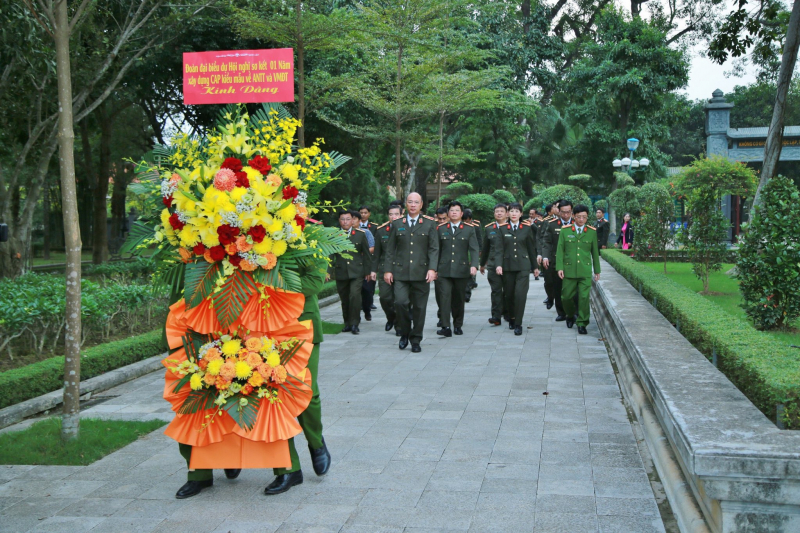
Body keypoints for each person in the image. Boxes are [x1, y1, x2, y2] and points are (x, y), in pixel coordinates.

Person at [264, 256, 332, 494]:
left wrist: (271, 282)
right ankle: (287, 469)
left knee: (306, 390)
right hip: (264, 323)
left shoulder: (311, 240)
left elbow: (314, 283)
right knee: (272, 395)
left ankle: (316, 442)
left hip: (302, 324)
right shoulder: (250, 234)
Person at [384, 193, 439, 353]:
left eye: (416, 202)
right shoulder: (397, 223)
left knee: (419, 308)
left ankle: (416, 339)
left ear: (421, 205)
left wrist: (432, 268)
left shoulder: (429, 224)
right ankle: (404, 333)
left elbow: (434, 248)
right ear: (405, 205)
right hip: (400, 273)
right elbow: (390, 250)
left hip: (422, 273)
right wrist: (388, 270)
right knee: (400, 302)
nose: (413, 205)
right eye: (410, 202)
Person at [435, 201, 479, 337]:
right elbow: (436, 250)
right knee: (444, 297)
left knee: (458, 299)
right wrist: (433, 268)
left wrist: (474, 265)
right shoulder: (441, 228)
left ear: (461, 213)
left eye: (457, 210)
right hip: (443, 269)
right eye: (452, 210)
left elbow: (474, 248)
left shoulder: (469, 229)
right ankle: (445, 326)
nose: (454, 212)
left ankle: (458, 324)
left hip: (461, 269)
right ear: (448, 213)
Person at [494, 202, 538, 335]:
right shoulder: (502, 229)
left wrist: (535, 266)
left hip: (523, 267)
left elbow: (531, 248)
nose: (514, 214)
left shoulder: (526, 228)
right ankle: (512, 318)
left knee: (520, 295)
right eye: (511, 211)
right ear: (508, 214)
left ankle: (518, 323)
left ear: (521, 214)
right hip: (507, 267)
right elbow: (499, 250)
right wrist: (498, 265)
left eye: (516, 211)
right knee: (509, 295)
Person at [556, 204, 601, 335]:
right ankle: (570, 315)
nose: (581, 219)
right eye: (579, 217)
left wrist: (597, 270)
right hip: (569, 270)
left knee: (584, 297)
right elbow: (560, 251)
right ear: (574, 216)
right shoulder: (565, 231)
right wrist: (560, 267)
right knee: (566, 297)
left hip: (584, 270)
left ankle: (582, 323)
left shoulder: (591, 232)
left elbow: (595, 253)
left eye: (584, 217)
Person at [331, 210, 371, 334]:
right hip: (341, 271)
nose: (345, 222)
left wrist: (368, 271)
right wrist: (328, 271)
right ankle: (347, 323)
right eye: (343, 219)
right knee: (345, 298)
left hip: (357, 272)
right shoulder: (334, 235)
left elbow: (366, 255)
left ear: (352, 220)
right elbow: (331, 254)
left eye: (348, 219)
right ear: (339, 221)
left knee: (355, 296)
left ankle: (355, 323)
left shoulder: (360, 234)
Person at [372, 204, 403, 334]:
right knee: (385, 297)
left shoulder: (406, 229)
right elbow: (377, 253)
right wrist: (373, 270)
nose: (393, 217)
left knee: (400, 299)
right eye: (391, 214)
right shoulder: (381, 230)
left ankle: (399, 326)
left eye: (396, 214)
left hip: (402, 269)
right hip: (385, 269)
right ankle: (391, 317)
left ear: (401, 215)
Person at [542, 200, 573, 322]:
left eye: (568, 212)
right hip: (556, 261)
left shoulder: (577, 223)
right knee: (558, 287)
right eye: (563, 212)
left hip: (572, 261)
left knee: (572, 289)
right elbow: (547, 242)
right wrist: (545, 256)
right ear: (558, 211)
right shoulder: (552, 224)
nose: (566, 215)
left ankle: (573, 311)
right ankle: (561, 312)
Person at [480, 203, 509, 326]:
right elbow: (485, 248)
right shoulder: (489, 228)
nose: (499, 213)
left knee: (508, 290)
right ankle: (496, 316)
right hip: (492, 264)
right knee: (496, 290)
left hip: (508, 264)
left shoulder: (511, 227)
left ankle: (508, 313)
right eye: (497, 211)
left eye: (502, 211)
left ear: (507, 213)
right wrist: (482, 264)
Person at [357, 206, 379, 319]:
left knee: (368, 288)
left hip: (368, 262)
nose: (363, 215)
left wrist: (362, 253)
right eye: (361, 213)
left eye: (365, 213)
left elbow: (374, 246)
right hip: (354, 266)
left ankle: (367, 306)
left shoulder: (371, 229)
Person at [539, 203, 559, 308]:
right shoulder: (547, 221)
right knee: (549, 280)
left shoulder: (571, 222)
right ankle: (550, 297)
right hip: (549, 255)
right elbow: (541, 238)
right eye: (555, 207)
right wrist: (541, 254)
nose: (557, 209)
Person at [463, 208, 480, 301]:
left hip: (472, 251)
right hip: (464, 254)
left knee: (470, 275)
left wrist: (479, 250)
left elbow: (479, 239)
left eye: (468, 220)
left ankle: (467, 293)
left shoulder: (475, 226)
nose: (466, 222)